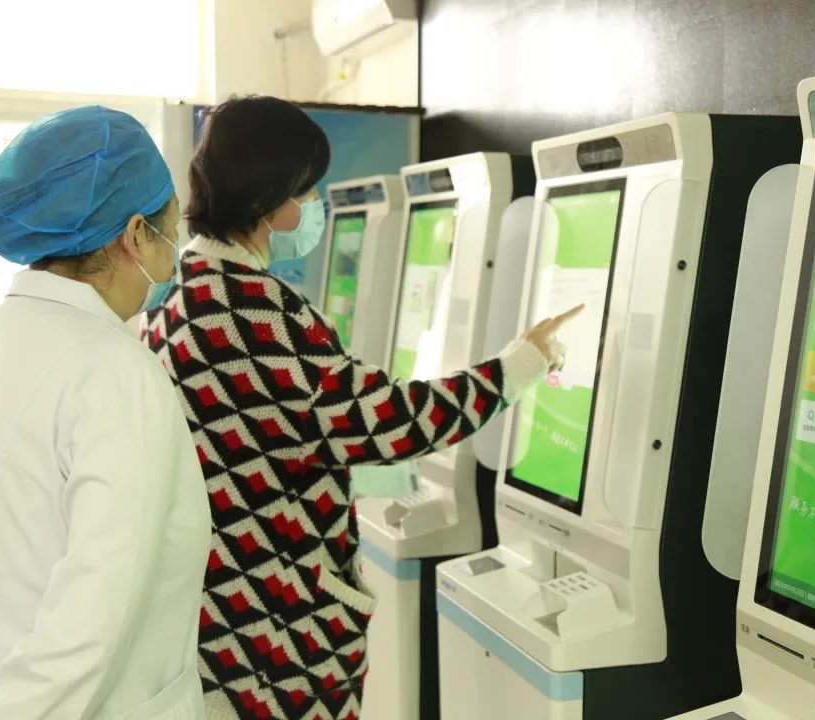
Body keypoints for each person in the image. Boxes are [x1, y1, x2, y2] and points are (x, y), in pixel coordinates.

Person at [141, 95, 580, 720]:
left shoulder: (182, 289)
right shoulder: (254, 313)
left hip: (221, 609)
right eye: (307, 189)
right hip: (272, 627)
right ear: (271, 199)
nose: (313, 204)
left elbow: (276, 428)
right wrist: (518, 366)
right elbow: (389, 419)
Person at [0, 106, 212, 719]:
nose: (171, 254)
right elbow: (91, 621)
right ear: (135, 235)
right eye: (167, 230)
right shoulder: (118, 374)